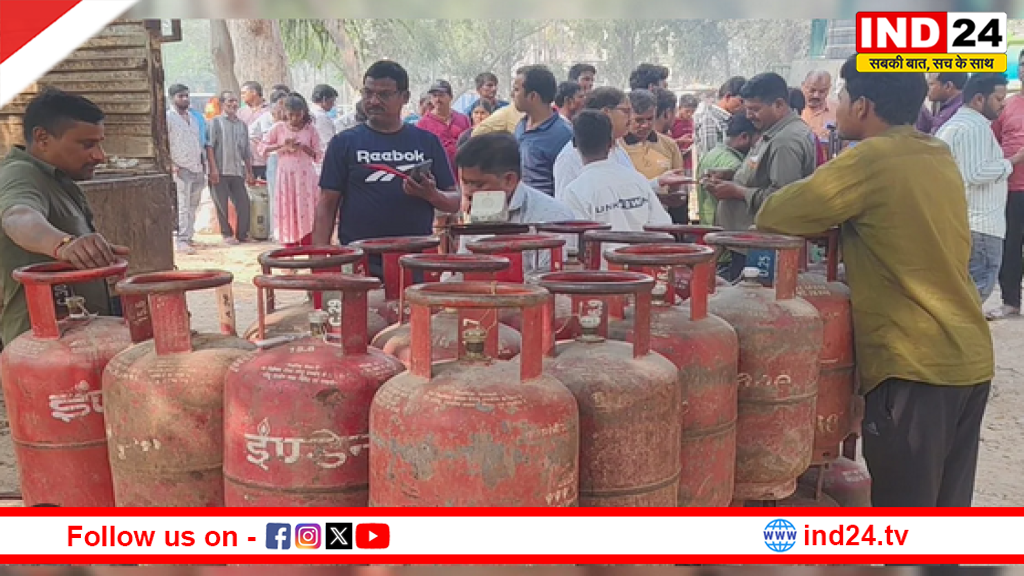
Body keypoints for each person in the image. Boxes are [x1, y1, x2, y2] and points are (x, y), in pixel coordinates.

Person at [755, 54, 993, 509]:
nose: (839, 105)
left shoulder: (870, 159)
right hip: (968, 357)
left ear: (862, 105)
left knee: (907, 519)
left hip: (915, 367)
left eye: (842, 96)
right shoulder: (934, 151)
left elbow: (776, 214)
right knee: (947, 517)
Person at [0, 88, 128, 346]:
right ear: (42, 138)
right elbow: (18, 215)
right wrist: (64, 245)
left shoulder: (57, 180)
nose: (99, 156)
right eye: (87, 144)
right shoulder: (20, 174)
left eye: (100, 143)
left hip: (73, 341)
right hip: (43, 350)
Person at [313, 60, 460, 279]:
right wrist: (319, 264)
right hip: (360, 259)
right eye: (368, 93)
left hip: (416, 258)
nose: (373, 101)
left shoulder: (427, 142)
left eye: (384, 94)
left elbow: (455, 200)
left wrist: (431, 195)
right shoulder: (343, 143)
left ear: (405, 97)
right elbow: (327, 204)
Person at [704, 72, 816, 280]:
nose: (748, 116)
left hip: (762, 247)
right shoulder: (772, 132)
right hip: (746, 242)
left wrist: (737, 191)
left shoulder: (785, 142)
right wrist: (730, 175)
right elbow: (762, 174)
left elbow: (782, 199)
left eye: (755, 109)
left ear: (779, 104)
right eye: (747, 109)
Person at [938, 73, 1024, 306]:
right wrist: (1012, 161)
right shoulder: (973, 128)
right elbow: (976, 173)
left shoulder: (958, 125)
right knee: (975, 293)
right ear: (978, 99)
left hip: (968, 221)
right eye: (998, 99)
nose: (1002, 104)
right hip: (981, 224)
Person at [454, 133, 576, 274]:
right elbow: (461, 267)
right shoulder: (475, 214)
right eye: (465, 182)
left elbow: (552, 277)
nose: (468, 192)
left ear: (509, 180)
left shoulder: (554, 216)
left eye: (478, 185)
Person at [553, 87, 691, 201]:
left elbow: (626, 190)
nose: (631, 118)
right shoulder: (571, 156)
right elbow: (566, 209)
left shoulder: (617, 150)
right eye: (626, 111)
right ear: (606, 113)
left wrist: (658, 183)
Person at [562, 110, 671, 243]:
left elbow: (573, 244)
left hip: (602, 262)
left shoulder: (575, 191)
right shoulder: (637, 180)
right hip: (642, 259)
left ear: (574, 144)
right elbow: (662, 225)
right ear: (611, 143)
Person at [260, 93, 323, 248]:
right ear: (285, 114)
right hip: (286, 177)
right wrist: (283, 146)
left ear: (304, 112)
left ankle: (308, 244)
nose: (295, 119)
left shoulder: (311, 130)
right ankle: (290, 248)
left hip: (305, 177)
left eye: (298, 115)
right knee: (287, 210)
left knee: (307, 211)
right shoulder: (278, 128)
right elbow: (262, 148)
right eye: (291, 115)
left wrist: (304, 148)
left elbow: (319, 155)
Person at [990, 49, 1024, 320]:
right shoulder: (1008, 105)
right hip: (1013, 188)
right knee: (1011, 246)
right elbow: (995, 141)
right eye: (1022, 65)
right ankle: (1010, 301)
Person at [622, 89, 686, 222]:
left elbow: (677, 185)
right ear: (627, 116)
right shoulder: (616, 147)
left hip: (661, 221)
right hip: (628, 220)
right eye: (639, 120)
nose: (645, 125)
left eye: (650, 119)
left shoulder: (669, 145)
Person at [512, 65, 574, 197]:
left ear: (533, 96)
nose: (513, 95)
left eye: (517, 90)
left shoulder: (564, 135)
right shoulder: (521, 126)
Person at [206, 90, 255, 245]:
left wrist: (249, 171)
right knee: (221, 204)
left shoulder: (242, 125)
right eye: (230, 101)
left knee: (243, 202)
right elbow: (209, 147)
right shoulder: (215, 122)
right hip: (220, 170)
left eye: (235, 101)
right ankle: (226, 234)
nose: (233, 104)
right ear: (222, 104)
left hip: (236, 170)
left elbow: (246, 151)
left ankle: (242, 234)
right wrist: (213, 169)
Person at [166, 83, 207, 255]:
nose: (185, 99)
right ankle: (181, 240)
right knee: (182, 205)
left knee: (193, 204)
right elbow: (164, 143)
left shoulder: (194, 118)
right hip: (180, 166)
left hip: (196, 165)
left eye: (186, 96)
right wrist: (171, 164)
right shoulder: (168, 118)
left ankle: (189, 236)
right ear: (172, 98)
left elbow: (199, 142)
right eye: (180, 96)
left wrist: (203, 163)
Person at [695, 112, 757, 226]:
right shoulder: (735, 164)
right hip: (725, 228)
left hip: (706, 225)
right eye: (757, 141)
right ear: (744, 137)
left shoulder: (711, 154)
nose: (757, 147)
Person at [252, 88, 290, 241]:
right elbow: (252, 133)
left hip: (289, 159)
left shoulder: (290, 119)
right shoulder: (267, 118)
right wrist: (268, 147)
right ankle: (275, 231)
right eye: (281, 103)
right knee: (275, 194)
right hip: (275, 158)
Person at [417, 80, 472, 174]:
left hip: (462, 171)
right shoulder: (423, 124)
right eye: (434, 96)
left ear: (450, 97)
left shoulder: (463, 119)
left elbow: (470, 144)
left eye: (441, 95)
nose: (438, 99)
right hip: (437, 173)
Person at [694, 76, 746, 160]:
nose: (745, 106)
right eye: (741, 101)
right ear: (728, 97)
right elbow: (711, 156)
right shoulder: (710, 119)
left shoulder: (732, 119)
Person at [239, 80, 271, 180]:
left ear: (254, 92)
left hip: (265, 160)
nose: (242, 96)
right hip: (245, 161)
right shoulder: (241, 112)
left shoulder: (270, 111)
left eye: (244, 93)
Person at [800, 71, 837, 141]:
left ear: (829, 89)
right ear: (803, 86)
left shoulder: (838, 110)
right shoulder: (792, 110)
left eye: (822, 91)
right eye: (812, 90)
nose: (816, 95)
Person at [310, 84, 339, 166]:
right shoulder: (321, 117)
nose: (333, 104)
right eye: (332, 101)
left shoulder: (312, 113)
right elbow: (329, 142)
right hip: (322, 159)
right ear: (324, 99)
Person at [670, 92, 698, 170]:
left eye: (692, 112)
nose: (689, 114)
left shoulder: (691, 121)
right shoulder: (672, 121)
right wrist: (680, 140)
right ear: (679, 108)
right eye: (687, 111)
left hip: (687, 160)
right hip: (674, 158)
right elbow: (666, 141)